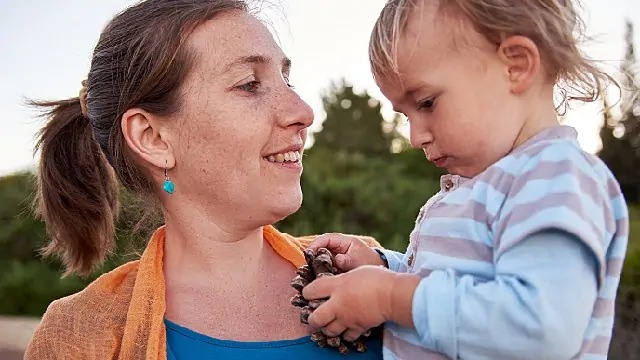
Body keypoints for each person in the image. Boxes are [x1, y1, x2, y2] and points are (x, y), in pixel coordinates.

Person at [24, 1, 383, 359]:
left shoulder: (369, 269)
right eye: (250, 85)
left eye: (286, 79)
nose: (303, 112)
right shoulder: (78, 337)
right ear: (153, 138)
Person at [301, 0, 630, 359]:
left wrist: (389, 296)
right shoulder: (488, 184)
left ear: (515, 65)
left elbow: (540, 329)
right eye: (405, 114)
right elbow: (456, 283)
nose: (414, 137)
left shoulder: (556, 176)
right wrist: (383, 268)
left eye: (426, 103)